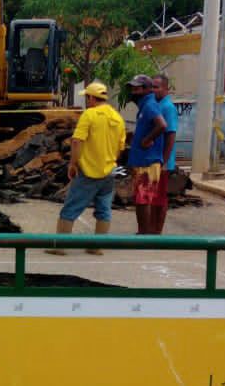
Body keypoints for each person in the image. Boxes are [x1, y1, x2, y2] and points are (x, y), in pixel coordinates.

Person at [46, 81, 125, 256]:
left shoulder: (89, 115)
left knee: (71, 208)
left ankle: (59, 246)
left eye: (86, 97)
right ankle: (96, 247)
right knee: (104, 209)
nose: (86, 101)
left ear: (91, 97)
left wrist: (73, 164)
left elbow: (76, 141)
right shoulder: (117, 118)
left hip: (89, 172)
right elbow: (120, 147)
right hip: (109, 172)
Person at [126, 74, 167, 235]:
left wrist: (147, 140)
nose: (133, 92)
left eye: (137, 89)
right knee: (142, 197)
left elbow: (162, 125)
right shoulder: (145, 106)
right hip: (143, 160)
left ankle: (144, 233)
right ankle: (144, 231)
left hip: (147, 160)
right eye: (133, 88)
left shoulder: (150, 105)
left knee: (143, 198)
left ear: (147, 90)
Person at [151, 73, 178, 234]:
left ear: (166, 89)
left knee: (160, 198)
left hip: (162, 161)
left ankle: (156, 231)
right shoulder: (156, 104)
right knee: (152, 196)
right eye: (152, 87)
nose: (154, 90)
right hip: (153, 160)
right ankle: (150, 229)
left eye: (157, 87)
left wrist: (164, 161)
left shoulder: (168, 108)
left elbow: (171, 134)